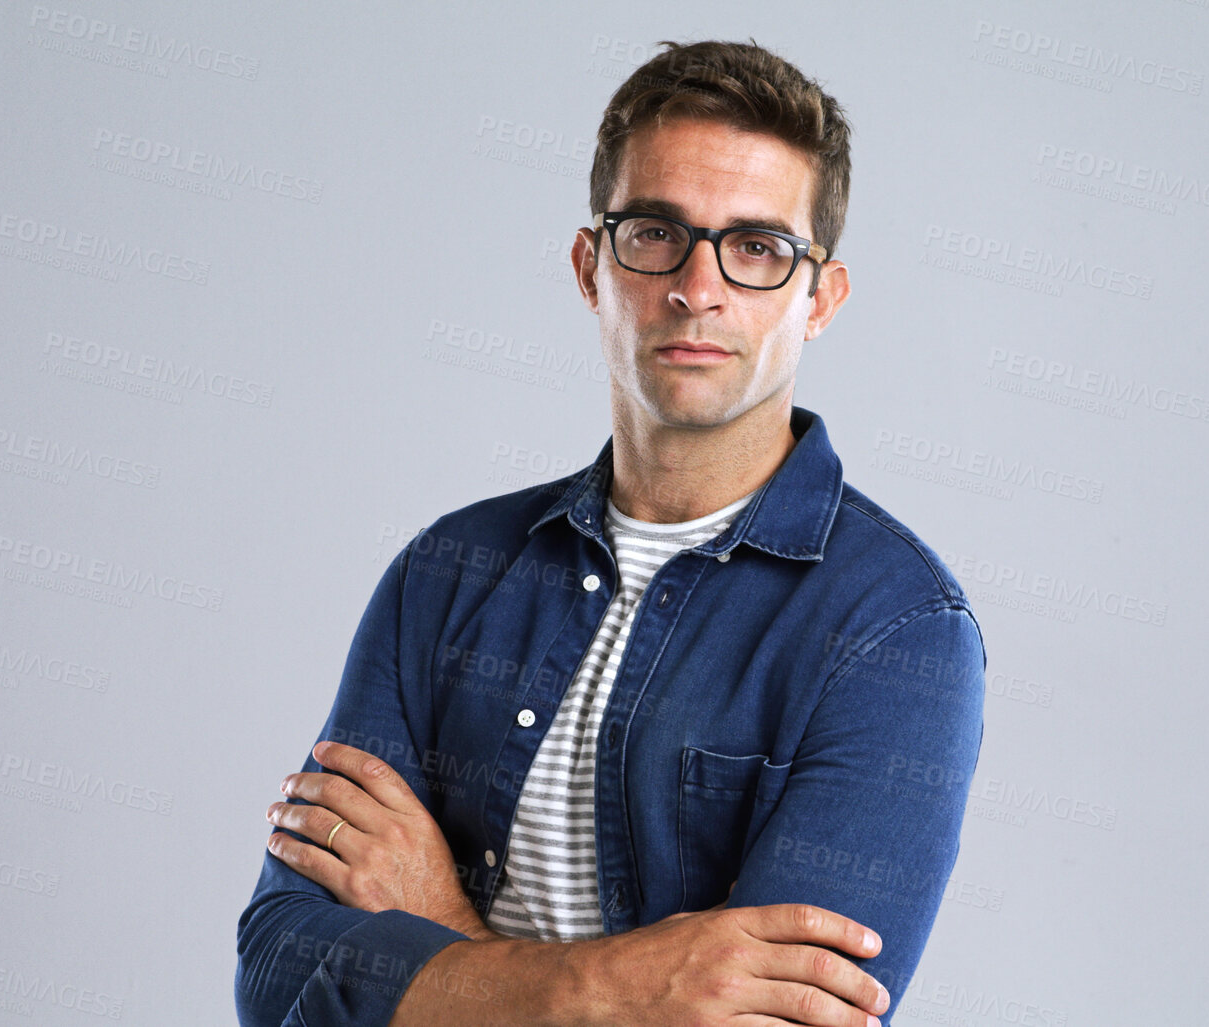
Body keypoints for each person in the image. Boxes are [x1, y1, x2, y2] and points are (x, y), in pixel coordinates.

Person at [236, 39, 985, 1027]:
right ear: (592, 264)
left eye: (757, 248)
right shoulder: (445, 576)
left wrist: (441, 927)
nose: (697, 287)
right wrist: (613, 992)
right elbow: (279, 973)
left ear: (822, 298)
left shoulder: (896, 631)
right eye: (656, 233)